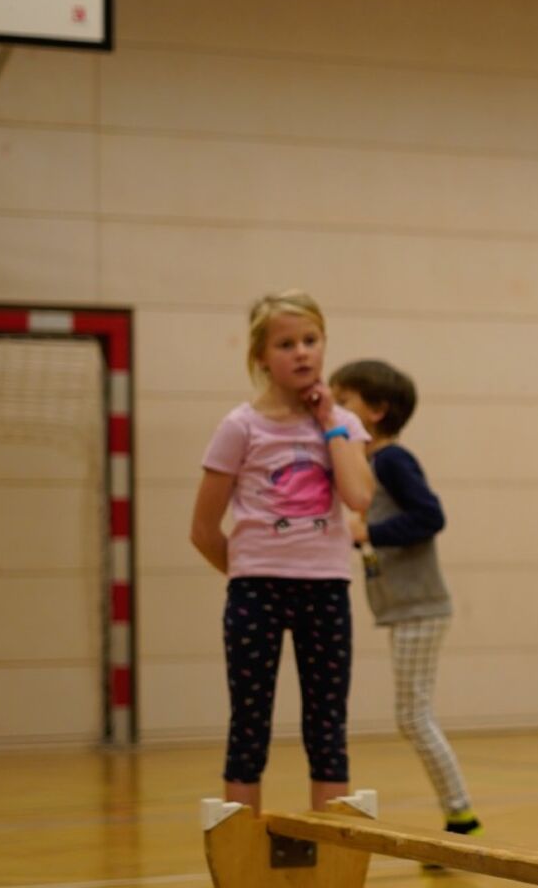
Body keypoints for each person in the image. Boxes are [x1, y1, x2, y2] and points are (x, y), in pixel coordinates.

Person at [190, 290, 374, 813]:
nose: (302, 353)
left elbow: (359, 497)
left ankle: (330, 841)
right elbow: (203, 529)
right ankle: (242, 841)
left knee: (327, 726)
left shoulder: (344, 424)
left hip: (326, 591)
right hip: (257, 592)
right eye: (286, 344)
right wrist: (249, 573)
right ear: (261, 357)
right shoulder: (240, 427)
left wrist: (329, 420)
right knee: (249, 725)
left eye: (311, 340)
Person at [328, 358, 485, 842]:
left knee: (414, 716)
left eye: (344, 401)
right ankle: (459, 815)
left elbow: (430, 516)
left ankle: (461, 817)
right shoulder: (367, 464)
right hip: (402, 609)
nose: (335, 408)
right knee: (413, 716)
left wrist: (369, 532)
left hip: (421, 607)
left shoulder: (393, 460)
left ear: (376, 411)